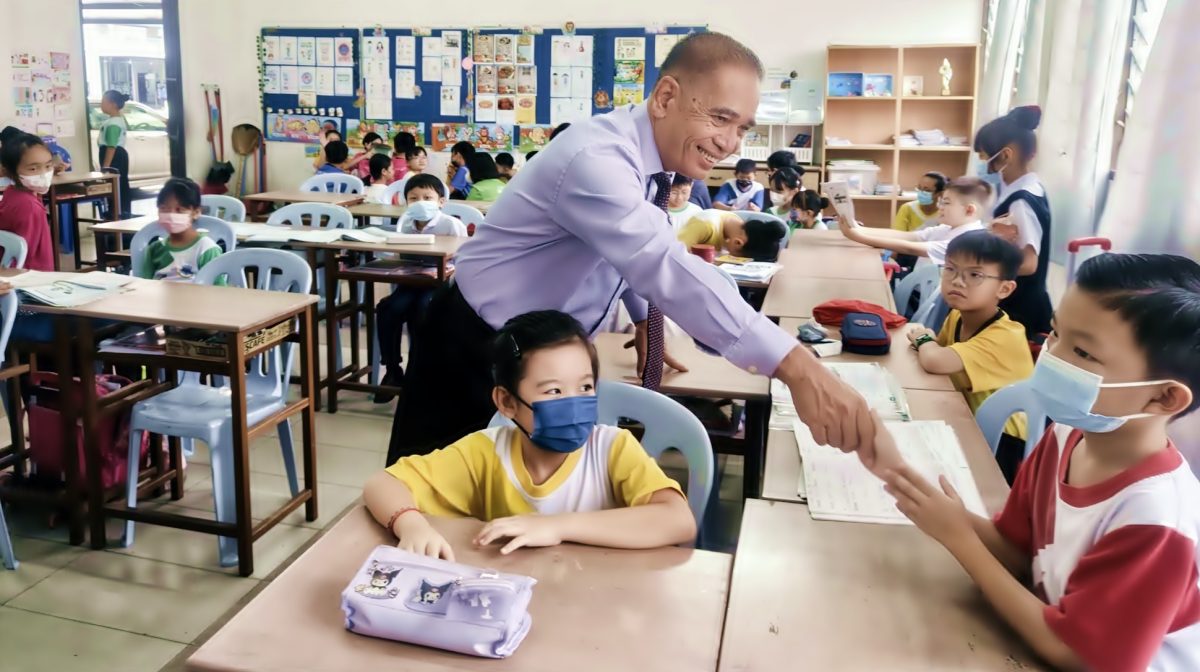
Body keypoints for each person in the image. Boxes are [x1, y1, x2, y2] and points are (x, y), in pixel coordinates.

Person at [386, 32, 881, 471]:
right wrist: (794, 364)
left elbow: (626, 253)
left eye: (744, 128)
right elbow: (660, 261)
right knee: (430, 504)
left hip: (550, 360)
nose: (729, 143)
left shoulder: (654, 167)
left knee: (525, 503)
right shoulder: (597, 159)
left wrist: (646, 321)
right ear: (667, 96)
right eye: (720, 118)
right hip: (477, 346)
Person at [884, 253, 1200, 672]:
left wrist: (959, 538)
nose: (1050, 355)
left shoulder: (1156, 519)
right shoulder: (1065, 435)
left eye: (1083, 352)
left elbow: (1078, 654)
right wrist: (951, 516)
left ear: (1163, 397)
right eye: (1055, 333)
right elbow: (1018, 552)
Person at [364, 310, 696, 559]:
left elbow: (677, 520)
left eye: (585, 387)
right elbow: (383, 484)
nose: (574, 403)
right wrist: (411, 524)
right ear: (507, 402)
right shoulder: (485, 453)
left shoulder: (612, 448)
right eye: (553, 391)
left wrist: (557, 526)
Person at [904, 231, 1032, 481]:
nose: (958, 281)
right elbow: (936, 356)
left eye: (975, 275)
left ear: (1004, 289)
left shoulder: (1006, 336)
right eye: (950, 269)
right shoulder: (958, 316)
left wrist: (923, 338)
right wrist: (928, 344)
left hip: (1002, 443)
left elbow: (934, 359)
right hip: (965, 420)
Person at [373, 174, 469, 401]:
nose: (420, 202)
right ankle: (393, 370)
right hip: (412, 282)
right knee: (388, 309)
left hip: (441, 285)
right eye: (413, 198)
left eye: (427, 197)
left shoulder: (451, 224)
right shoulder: (406, 223)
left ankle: (421, 372)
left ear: (441, 201)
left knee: (423, 309)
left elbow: (464, 259)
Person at [975, 106, 1052, 342]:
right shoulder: (1018, 189)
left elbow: (1029, 264)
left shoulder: (1022, 202)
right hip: (1014, 297)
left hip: (1020, 307)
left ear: (1006, 156)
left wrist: (978, 272)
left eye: (986, 158)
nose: (984, 166)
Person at [837, 176, 990, 266]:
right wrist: (858, 228)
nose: (940, 206)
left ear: (969, 210)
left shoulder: (967, 241)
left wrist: (857, 237)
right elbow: (909, 236)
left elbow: (910, 248)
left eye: (946, 203)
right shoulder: (949, 228)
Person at [136, 177, 225, 284]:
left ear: (196, 212)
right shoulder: (155, 249)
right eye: (164, 208)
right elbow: (144, 286)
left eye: (180, 210)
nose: (171, 215)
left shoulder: (206, 249)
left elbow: (218, 291)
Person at [0, 132, 55, 271]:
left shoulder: (11, 193)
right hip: (31, 279)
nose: (43, 174)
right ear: (9, 172)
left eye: (48, 166)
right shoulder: (29, 206)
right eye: (33, 168)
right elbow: (23, 254)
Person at [677, 209, 784, 261]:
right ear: (738, 243)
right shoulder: (705, 226)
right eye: (740, 258)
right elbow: (673, 255)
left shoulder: (737, 226)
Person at [98, 89, 132, 218]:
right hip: (118, 155)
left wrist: (106, 166)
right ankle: (120, 211)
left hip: (114, 156)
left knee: (116, 186)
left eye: (103, 102)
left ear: (112, 104)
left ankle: (117, 213)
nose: (101, 105)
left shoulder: (113, 123)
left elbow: (111, 146)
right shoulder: (116, 120)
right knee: (120, 185)